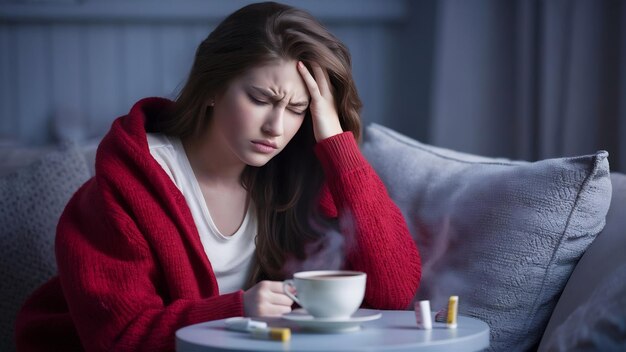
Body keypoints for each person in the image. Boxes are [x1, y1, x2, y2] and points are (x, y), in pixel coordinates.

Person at [15, 2, 421, 351]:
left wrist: (335, 140)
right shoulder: (125, 188)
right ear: (211, 88)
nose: (276, 127)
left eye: (298, 110)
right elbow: (119, 337)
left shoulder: (292, 179)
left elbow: (392, 294)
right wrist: (237, 310)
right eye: (260, 99)